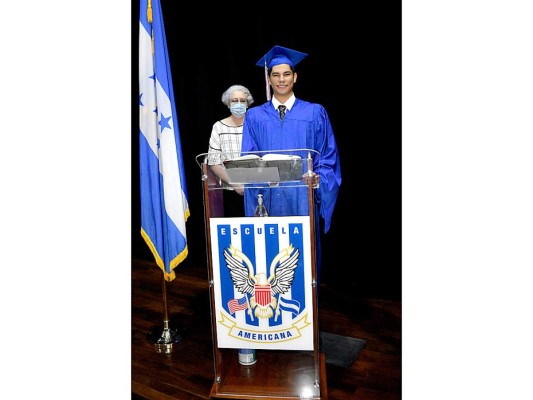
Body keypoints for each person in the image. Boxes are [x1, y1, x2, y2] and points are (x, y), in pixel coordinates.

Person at [241, 45, 342, 283]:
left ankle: (307, 318)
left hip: (302, 200)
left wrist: (319, 180)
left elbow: (328, 157)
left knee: (304, 265)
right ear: (269, 79)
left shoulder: (315, 112)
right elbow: (249, 159)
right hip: (268, 201)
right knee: (271, 267)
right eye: (275, 74)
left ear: (295, 77)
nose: (281, 79)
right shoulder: (254, 116)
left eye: (286, 74)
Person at [206, 84, 254, 217]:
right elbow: (214, 162)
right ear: (228, 104)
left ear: (248, 104)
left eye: (242, 101)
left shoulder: (255, 125)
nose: (238, 104)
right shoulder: (219, 127)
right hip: (230, 193)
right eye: (234, 101)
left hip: (256, 191)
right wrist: (235, 184)